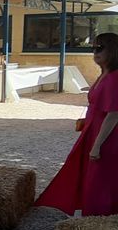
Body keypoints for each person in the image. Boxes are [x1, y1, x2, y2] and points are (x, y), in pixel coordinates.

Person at [35, 32, 118, 216]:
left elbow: (113, 115)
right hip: (94, 132)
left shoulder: (114, 77)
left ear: (112, 50)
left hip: (106, 137)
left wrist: (97, 145)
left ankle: (99, 220)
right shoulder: (104, 74)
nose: (95, 52)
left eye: (100, 48)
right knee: (87, 174)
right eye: (93, 48)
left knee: (99, 180)